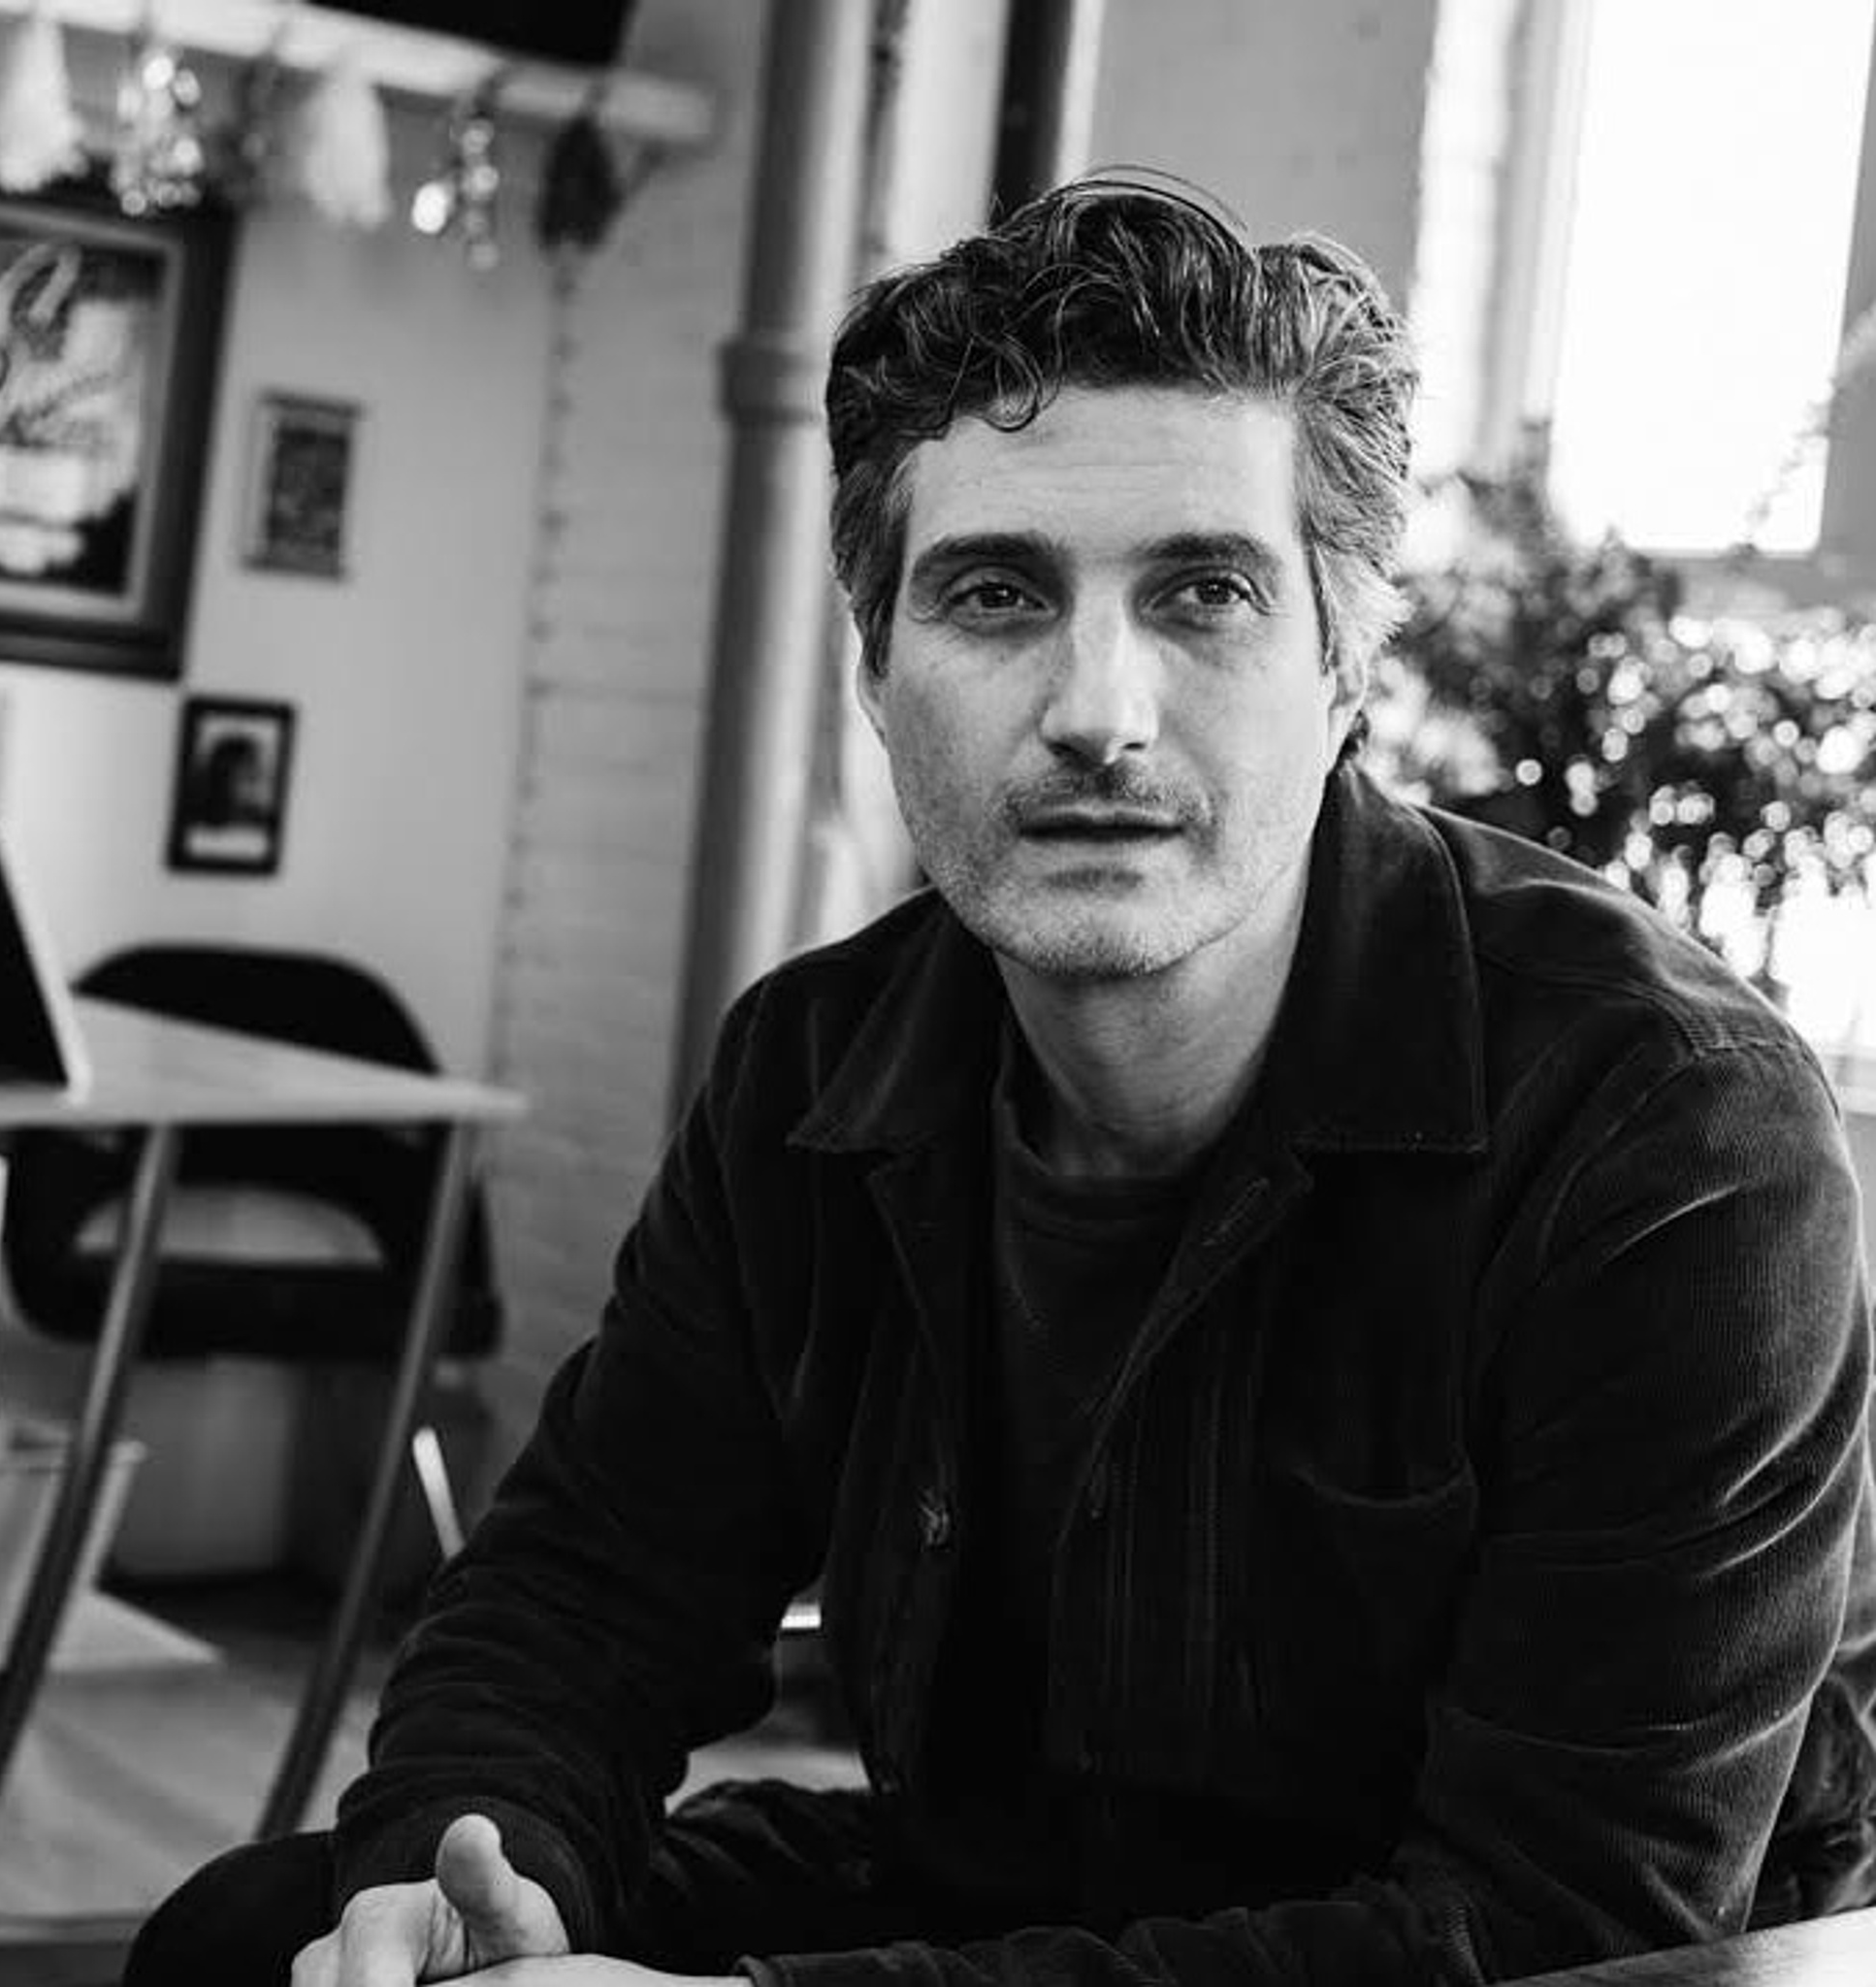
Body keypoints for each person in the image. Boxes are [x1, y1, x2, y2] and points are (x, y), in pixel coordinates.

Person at [125, 178, 1876, 1987]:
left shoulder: (1670, 1127)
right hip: (1019, 1889)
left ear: (1346, 666)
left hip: (1473, 1956)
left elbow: (1559, 1923)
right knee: (262, 1941)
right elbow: (591, 1584)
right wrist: (466, 1869)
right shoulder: (817, 1067)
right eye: (993, 594)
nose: (1098, 709)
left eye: (1204, 593)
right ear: (880, 673)